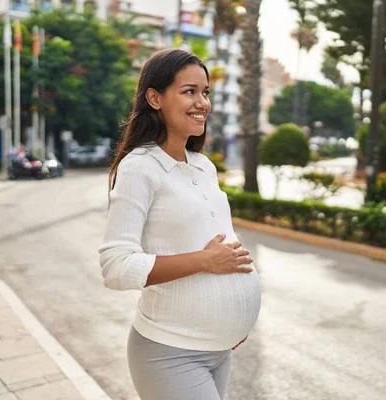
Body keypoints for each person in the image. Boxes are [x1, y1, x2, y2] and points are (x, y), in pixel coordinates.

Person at [99, 49, 261, 400]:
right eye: (189, 91)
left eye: (205, 93)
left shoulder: (203, 166)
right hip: (170, 352)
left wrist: (232, 320)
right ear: (155, 98)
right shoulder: (140, 166)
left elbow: (221, 245)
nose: (202, 102)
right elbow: (116, 266)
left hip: (219, 348)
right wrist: (205, 261)